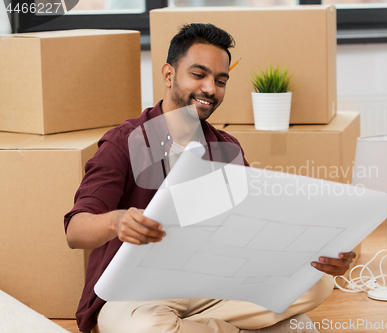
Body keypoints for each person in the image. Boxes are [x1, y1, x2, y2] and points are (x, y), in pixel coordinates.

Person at [64, 23, 355, 333]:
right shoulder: (124, 141)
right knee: (145, 327)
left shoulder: (226, 148)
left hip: (214, 287)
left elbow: (253, 225)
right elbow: (75, 229)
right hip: (138, 295)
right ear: (168, 75)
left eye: (220, 80)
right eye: (198, 75)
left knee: (318, 282)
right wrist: (117, 222)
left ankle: (192, 327)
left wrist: (318, 251)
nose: (210, 89)